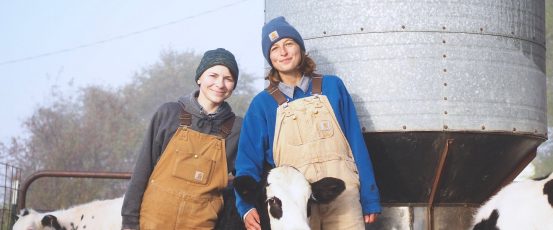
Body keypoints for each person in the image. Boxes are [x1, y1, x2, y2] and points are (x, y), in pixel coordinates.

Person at [234, 16, 382, 230]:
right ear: (270, 58)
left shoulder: (333, 87)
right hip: (294, 207)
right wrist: (245, 206)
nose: (283, 52)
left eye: (289, 44)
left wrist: (370, 197)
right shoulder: (262, 104)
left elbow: (356, 145)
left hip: (344, 198)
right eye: (275, 48)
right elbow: (247, 162)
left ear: (300, 49)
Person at [121, 48, 243, 230]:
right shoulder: (169, 113)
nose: (220, 84)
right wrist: (129, 223)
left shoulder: (237, 129)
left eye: (228, 79)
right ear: (199, 78)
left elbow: (249, 178)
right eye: (213, 75)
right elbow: (141, 172)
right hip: (151, 224)